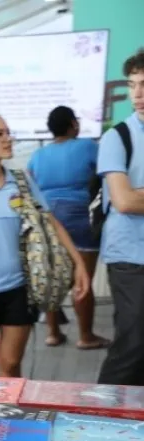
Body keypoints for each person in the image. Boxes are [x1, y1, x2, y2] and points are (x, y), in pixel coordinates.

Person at [0, 112, 90, 378]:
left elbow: (52, 223)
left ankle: (14, 419)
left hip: (18, 290)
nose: (8, 139)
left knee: (10, 364)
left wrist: (79, 264)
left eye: (8, 133)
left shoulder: (21, 182)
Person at [28, 106, 108, 350]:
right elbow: (106, 175)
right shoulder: (88, 147)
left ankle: (53, 333)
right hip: (81, 219)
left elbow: (31, 190)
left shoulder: (37, 156)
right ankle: (86, 336)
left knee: (52, 279)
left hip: (49, 222)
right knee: (82, 279)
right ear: (73, 124)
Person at [97, 49, 144, 385]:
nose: (138, 94)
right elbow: (124, 201)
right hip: (130, 255)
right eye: (133, 85)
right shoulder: (118, 137)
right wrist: (132, 195)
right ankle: (99, 419)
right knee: (133, 340)